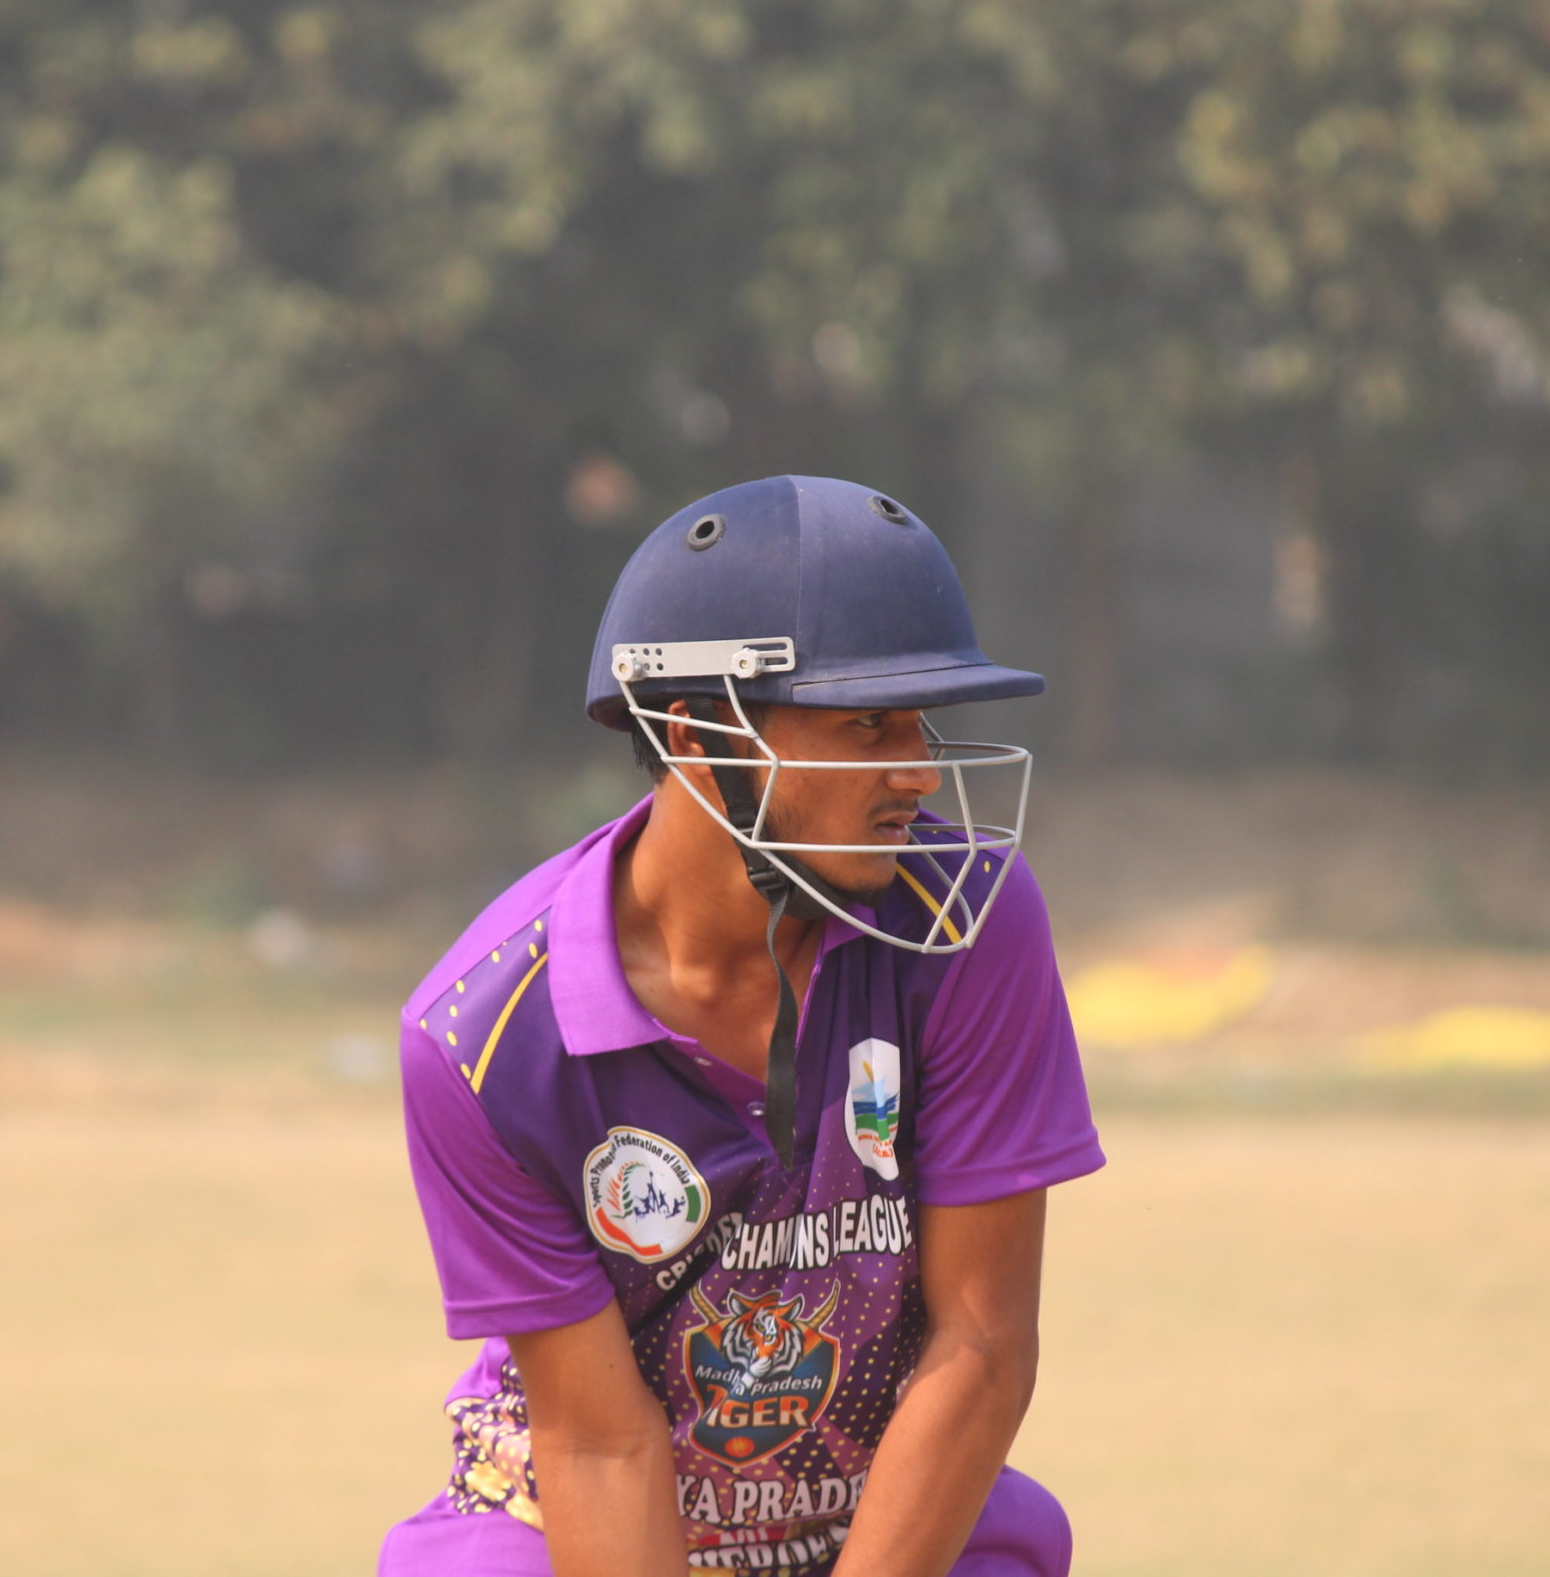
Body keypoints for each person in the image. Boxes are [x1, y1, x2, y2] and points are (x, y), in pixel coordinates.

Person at [382, 475, 1103, 1577]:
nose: (916, 772)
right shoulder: (482, 1039)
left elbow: (982, 1344)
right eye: (866, 724)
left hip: (877, 1515)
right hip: (568, 1516)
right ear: (694, 732)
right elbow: (599, 1443)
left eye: (922, 722)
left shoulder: (971, 922)